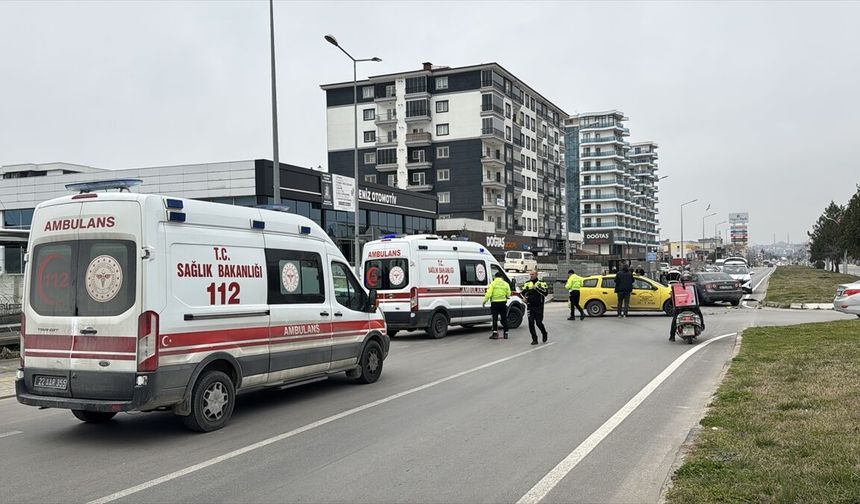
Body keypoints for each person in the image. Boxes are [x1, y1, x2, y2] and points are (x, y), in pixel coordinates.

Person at [669, 272, 705, 341]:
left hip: (682, 308)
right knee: (699, 315)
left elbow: (672, 300)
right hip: (691, 308)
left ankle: (672, 336)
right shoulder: (691, 287)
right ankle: (702, 326)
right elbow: (701, 297)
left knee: (675, 319)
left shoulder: (679, 287)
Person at [522, 271, 549, 344]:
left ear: (536, 275)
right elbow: (523, 293)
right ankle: (534, 339)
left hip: (539, 306)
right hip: (530, 306)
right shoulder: (527, 283)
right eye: (530, 274)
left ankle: (544, 333)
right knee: (531, 323)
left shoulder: (542, 283)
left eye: (532, 274)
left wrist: (536, 288)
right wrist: (524, 298)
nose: (531, 276)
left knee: (538, 323)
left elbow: (545, 293)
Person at [483, 271, 511, 339]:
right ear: (502, 277)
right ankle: (506, 333)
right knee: (504, 318)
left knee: (495, 318)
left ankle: (495, 333)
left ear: (495, 277)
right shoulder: (505, 284)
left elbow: (489, 293)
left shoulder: (492, 283)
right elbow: (508, 293)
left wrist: (484, 301)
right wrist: (507, 296)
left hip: (495, 303)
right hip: (503, 303)